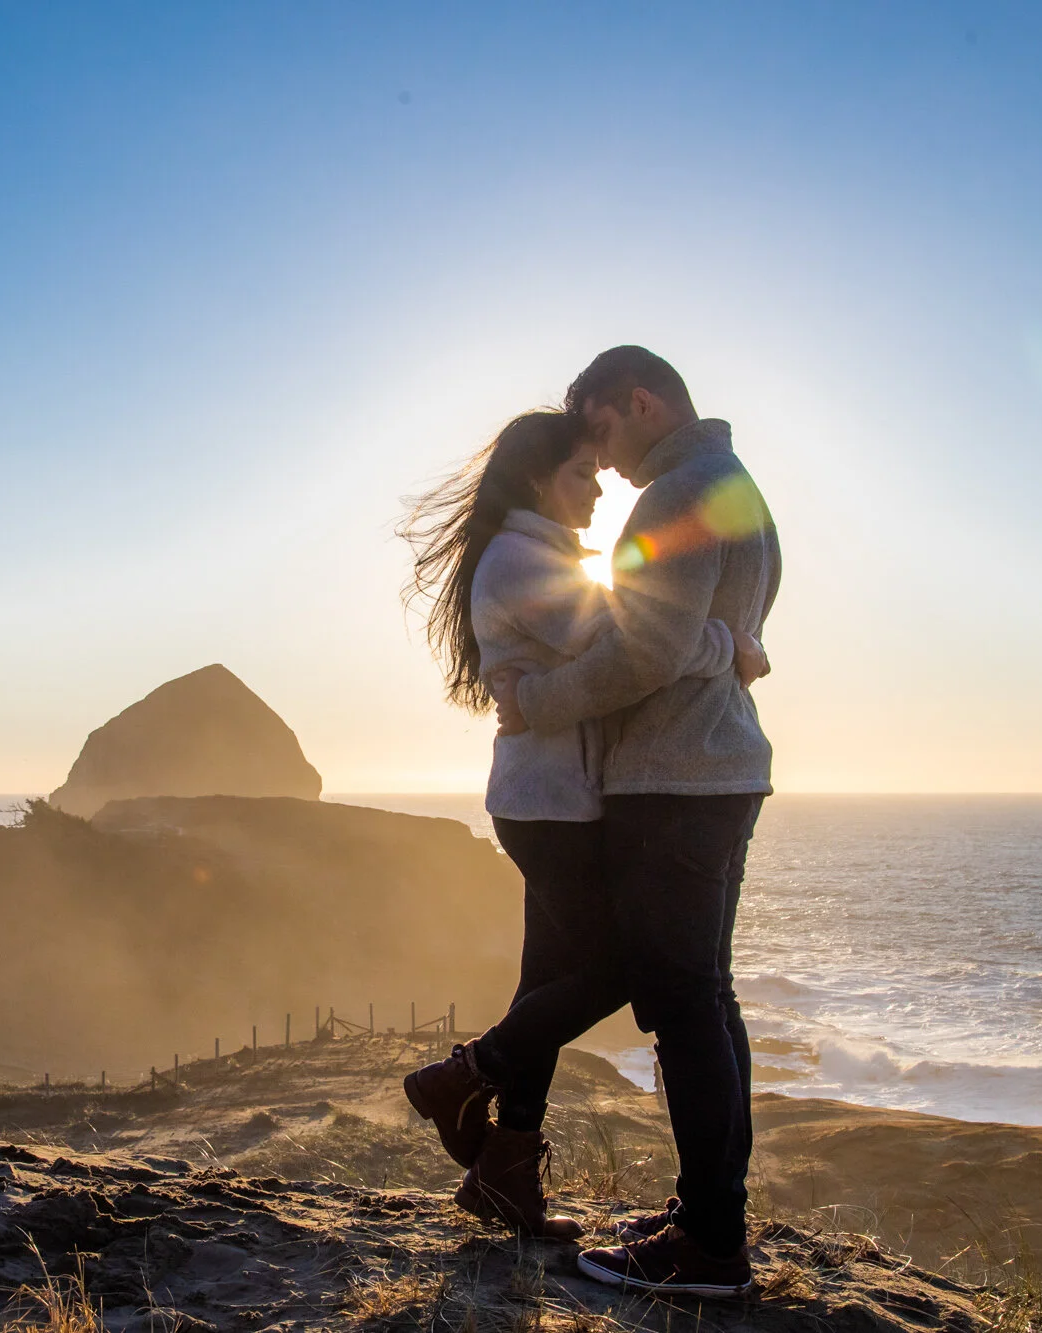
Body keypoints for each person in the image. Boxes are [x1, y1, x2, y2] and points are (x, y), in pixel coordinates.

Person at [397, 408, 766, 1241]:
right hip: (553, 807)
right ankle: (465, 1076)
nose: (598, 487)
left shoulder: (540, 554)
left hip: (557, 800)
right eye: (580, 473)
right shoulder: (526, 560)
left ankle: (507, 1172)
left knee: (550, 978)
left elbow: (623, 644)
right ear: (536, 479)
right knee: (625, 968)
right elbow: (640, 648)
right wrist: (732, 644)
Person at [497, 346, 782, 1296]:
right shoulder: (740, 489)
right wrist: (728, 648)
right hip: (725, 768)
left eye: (607, 431)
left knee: (680, 1007)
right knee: (709, 996)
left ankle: (708, 1245)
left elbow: (641, 653)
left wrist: (539, 702)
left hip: (672, 780)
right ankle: (713, 1214)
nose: (607, 461)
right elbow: (712, 632)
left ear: (643, 401)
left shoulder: (674, 495)